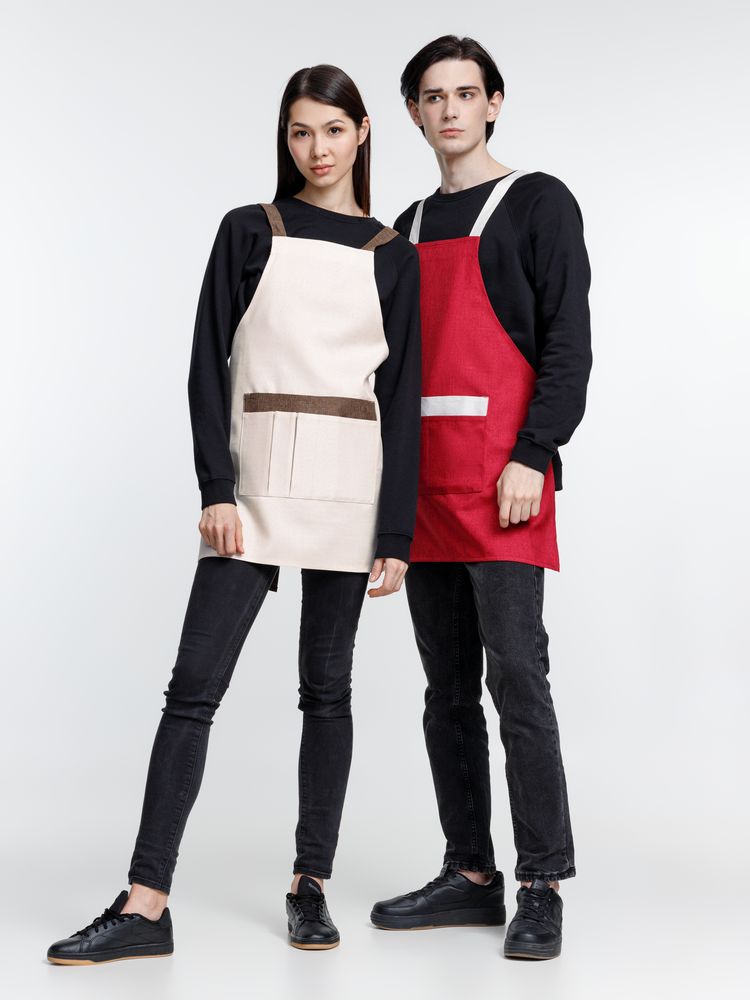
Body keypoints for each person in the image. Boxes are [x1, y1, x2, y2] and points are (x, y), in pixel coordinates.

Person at [46, 63, 421, 964]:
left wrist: (397, 533)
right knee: (193, 690)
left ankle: (309, 884)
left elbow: (403, 397)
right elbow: (206, 364)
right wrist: (216, 487)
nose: (317, 148)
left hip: (350, 486)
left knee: (326, 690)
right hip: (250, 487)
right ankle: (146, 903)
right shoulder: (249, 229)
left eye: (333, 129)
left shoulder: (392, 254)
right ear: (285, 138)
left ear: (363, 133)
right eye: (300, 131)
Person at [369, 35, 592, 960]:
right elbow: (387, 368)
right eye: (434, 96)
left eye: (466, 93)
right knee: (446, 691)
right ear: (414, 114)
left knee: (519, 681)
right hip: (425, 487)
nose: (451, 109)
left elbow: (568, 345)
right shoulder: (407, 226)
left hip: (505, 482)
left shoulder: (538, 202)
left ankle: (541, 882)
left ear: (493, 103)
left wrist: (535, 453)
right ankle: (469, 873)